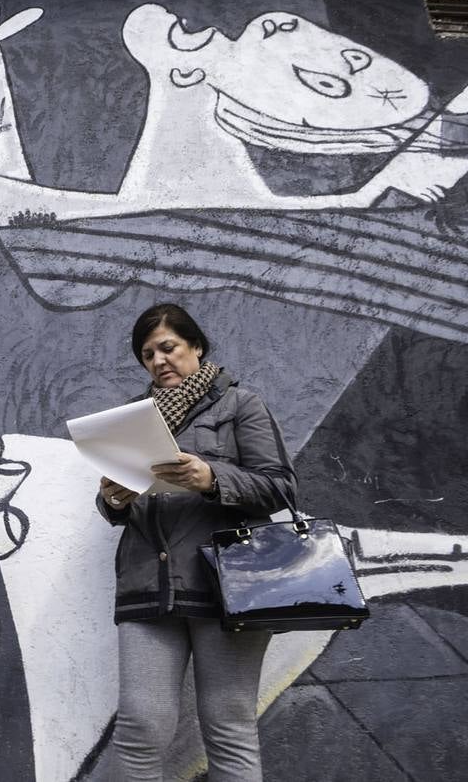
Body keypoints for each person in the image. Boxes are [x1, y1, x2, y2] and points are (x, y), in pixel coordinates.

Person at [98, 303, 297, 782]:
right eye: (147, 355)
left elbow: (280, 488)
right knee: (140, 728)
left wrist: (211, 477)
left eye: (168, 347)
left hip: (227, 587)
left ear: (196, 347)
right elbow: (112, 509)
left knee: (228, 728)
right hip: (149, 584)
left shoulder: (240, 404)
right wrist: (113, 498)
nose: (158, 361)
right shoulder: (133, 421)